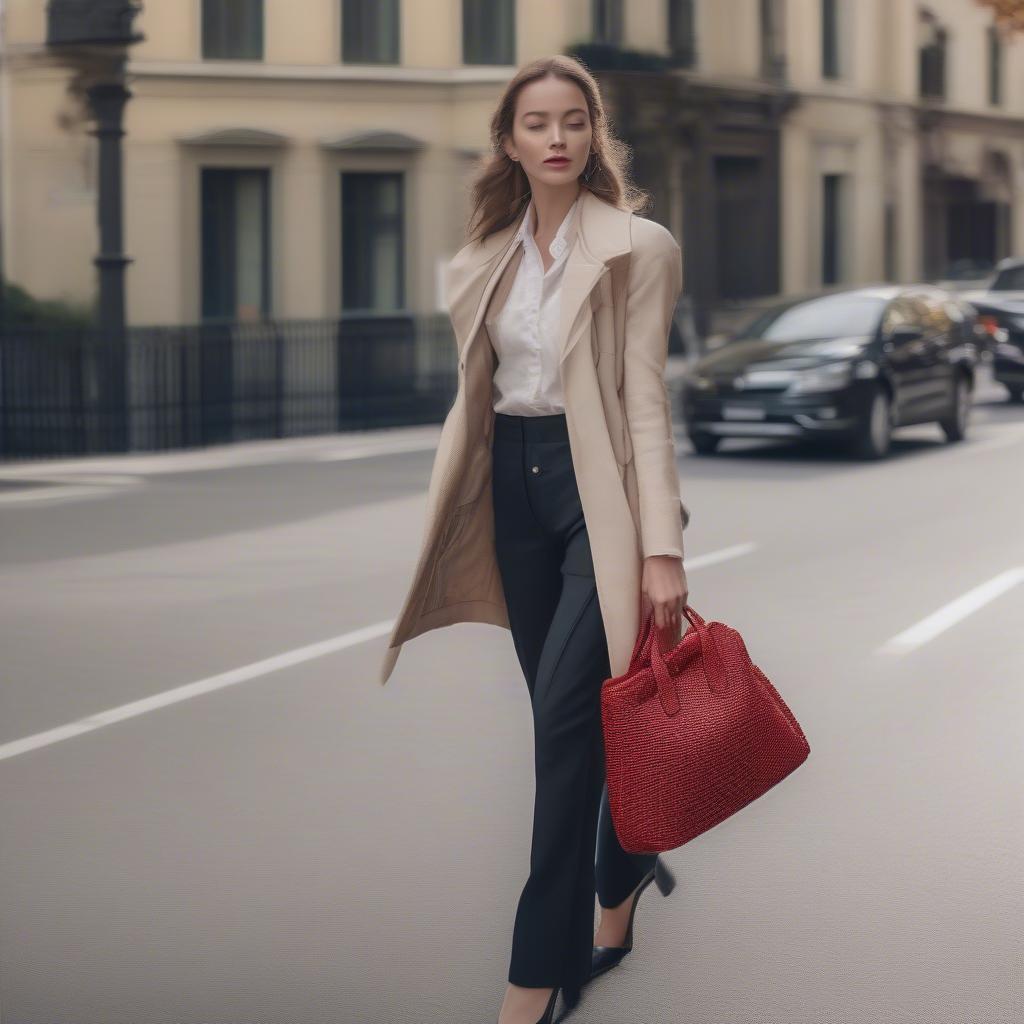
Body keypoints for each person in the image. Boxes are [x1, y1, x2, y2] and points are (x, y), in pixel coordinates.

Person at [378, 54, 690, 1024]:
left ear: (593, 134)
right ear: (508, 143)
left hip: (596, 498)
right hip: (512, 493)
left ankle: (533, 975)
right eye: (535, 123)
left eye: (573, 121)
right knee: (576, 724)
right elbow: (477, 400)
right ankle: (626, 861)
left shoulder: (639, 246)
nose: (556, 138)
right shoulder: (477, 262)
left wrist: (661, 545)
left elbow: (643, 396)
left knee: (562, 731)